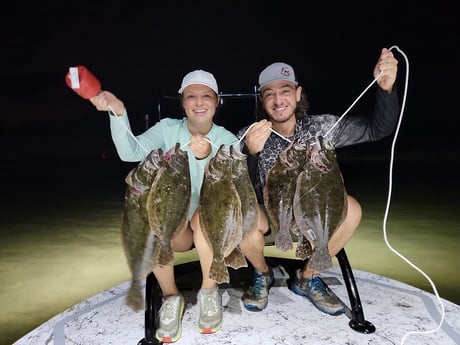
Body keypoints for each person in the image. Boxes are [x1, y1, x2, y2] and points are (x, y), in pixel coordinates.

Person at [237, 48, 399, 315]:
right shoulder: (250, 134)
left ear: (298, 93)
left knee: (353, 209)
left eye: (285, 90)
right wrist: (251, 153)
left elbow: (377, 128)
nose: (278, 100)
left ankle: (308, 276)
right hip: (271, 216)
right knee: (242, 213)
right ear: (262, 100)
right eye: (269, 94)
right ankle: (262, 273)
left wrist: (385, 89)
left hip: (314, 217)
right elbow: (236, 185)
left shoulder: (322, 128)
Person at [90, 69, 240, 343]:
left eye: (206, 96)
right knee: (151, 223)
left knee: (204, 215)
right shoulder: (168, 129)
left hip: (213, 227)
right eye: (191, 96)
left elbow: (233, 182)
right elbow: (131, 152)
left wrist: (207, 156)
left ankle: (209, 291)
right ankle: (171, 297)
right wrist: (118, 112)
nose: (199, 102)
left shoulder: (227, 140)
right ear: (182, 102)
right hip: (177, 227)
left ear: (217, 102)